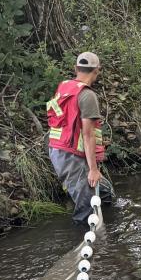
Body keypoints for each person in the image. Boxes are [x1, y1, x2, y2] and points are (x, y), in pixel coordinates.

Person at [46, 51, 110, 228]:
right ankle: (84, 241)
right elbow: (88, 135)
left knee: (105, 192)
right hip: (69, 154)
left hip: (60, 149)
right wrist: (93, 169)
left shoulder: (65, 86)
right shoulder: (88, 95)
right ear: (97, 71)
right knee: (85, 206)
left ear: (76, 68)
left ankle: (111, 224)